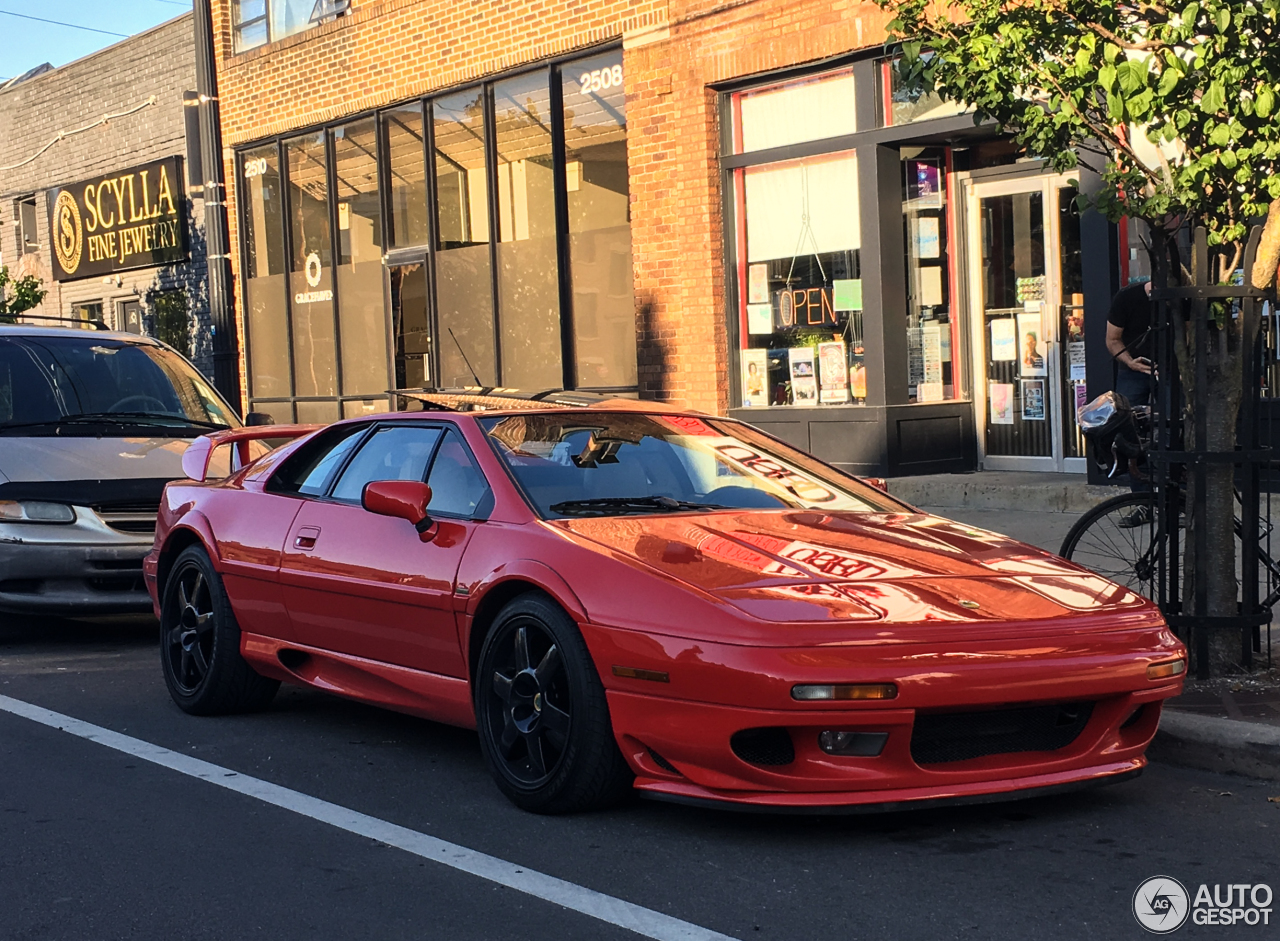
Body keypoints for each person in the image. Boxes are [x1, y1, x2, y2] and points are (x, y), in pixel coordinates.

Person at [1107, 279, 1154, 520]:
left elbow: (1188, 335)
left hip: (1170, 370)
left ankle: (1176, 498)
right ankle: (1142, 502)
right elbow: (1112, 338)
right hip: (1133, 370)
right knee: (1131, 432)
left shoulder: (1181, 298)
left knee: (1171, 429)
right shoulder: (1127, 297)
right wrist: (1129, 362)